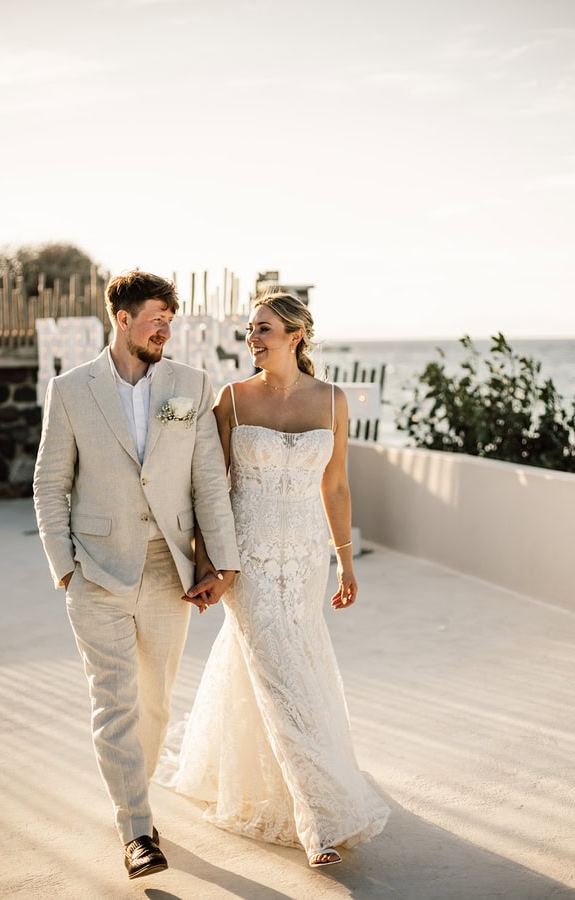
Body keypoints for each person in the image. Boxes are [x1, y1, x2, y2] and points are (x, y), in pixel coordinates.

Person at [155, 291, 390, 868]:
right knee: (278, 671)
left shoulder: (333, 400)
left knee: (296, 663)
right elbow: (210, 485)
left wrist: (345, 561)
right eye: (249, 330)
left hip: (306, 558)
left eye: (263, 329)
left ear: (295, 335)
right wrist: (208, 560)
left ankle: (258, 773)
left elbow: (336, 485)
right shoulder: (232, 399)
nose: (252, 339)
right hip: (250, 558)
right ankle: (320, 819)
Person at [33, 270, 240, 880]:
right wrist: (65, 569)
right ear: (122, 319)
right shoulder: (71, 389)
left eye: (170, 321)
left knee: (154, 706)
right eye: (156, 319)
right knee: (115, 702)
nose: (165, 330)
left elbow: (208, 480)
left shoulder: (191, 385)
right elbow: (49, 483)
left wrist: (221, 560)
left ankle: (134, 799)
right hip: (96, 571)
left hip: (169, 568)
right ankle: (137, 830)